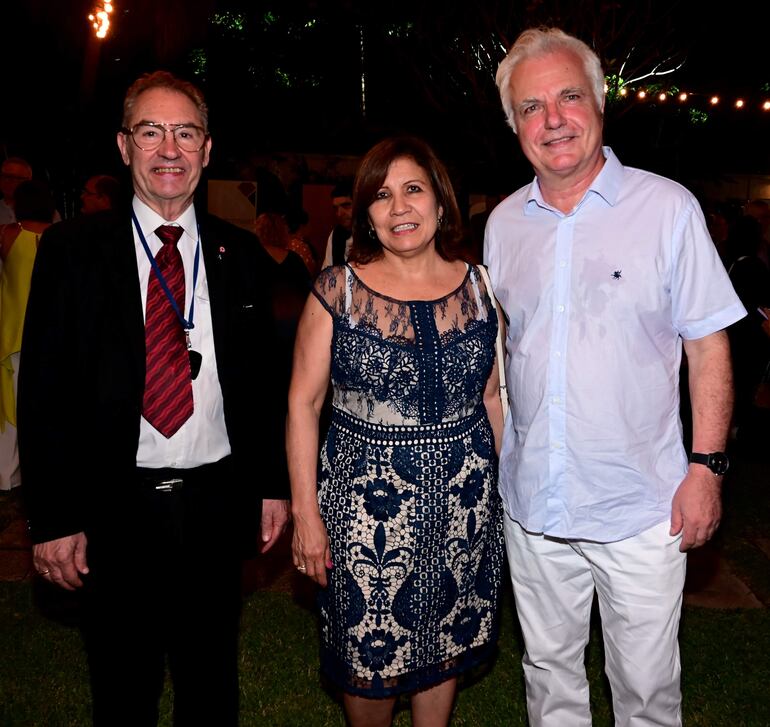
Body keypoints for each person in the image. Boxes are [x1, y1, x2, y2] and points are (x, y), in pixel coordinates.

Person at [485, 27, 746, 726]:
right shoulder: (504, 225)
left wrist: (707, 467)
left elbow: (709, 346)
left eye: (568, 96)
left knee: (647, 693)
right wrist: (512, 449)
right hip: (534, 507)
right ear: (515, 126)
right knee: (548, 676)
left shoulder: (668, 209)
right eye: (531, 107)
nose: (553, 119)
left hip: (642, 506)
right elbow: (508, 352)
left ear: (600, 103)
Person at [18, 70, 290, 726]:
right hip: (113, 509)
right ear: (123, 145)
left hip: (214, 508)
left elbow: (263, 384)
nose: (169, 148)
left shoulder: (242, 255)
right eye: (150, 131)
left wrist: (272, 485)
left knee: (210, 690)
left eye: (185, 132)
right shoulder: (71, 252)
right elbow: (44, 388)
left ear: (206, 147)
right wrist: (52, 517)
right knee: (121, 692)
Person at [288, 136, 505, 727]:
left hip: (464, 508)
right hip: (366, 518)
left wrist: (505, 499)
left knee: (444, 645)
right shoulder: (339, 290)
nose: (400, 207)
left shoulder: (482, 289)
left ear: (441, 203)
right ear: (366, 214)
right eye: (382, 195)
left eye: (414, 189)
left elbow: (491, 398)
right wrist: (307, 517)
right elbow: (303, 406)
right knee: (370, 654)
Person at [0, 180, 55, 490]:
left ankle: (7, 476)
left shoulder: (9, 233)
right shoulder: (57, 236)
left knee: (9, 405)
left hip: (12, 331)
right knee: (38, 406)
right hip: (45, 332)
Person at [321, 179, 353, 267]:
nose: (339, 213)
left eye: (346, 206)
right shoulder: (336, 234)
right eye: (336, 208)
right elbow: (327, 271)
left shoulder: (374, 233)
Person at [0, 157, 33, 224]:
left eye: (19, 178)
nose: (13, 182)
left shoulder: (46, 211)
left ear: (29, 181)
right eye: (8, 177)